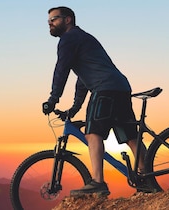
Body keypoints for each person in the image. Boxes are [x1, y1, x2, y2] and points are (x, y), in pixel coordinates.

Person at [41, 6, 150, 196]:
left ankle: (98, 182)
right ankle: (148, 178)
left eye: (54, 19)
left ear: (68, 20)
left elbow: (62, 69)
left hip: (105, 88)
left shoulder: (69, 39)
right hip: (120, 87)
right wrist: (74, 108)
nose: (50, 23)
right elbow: (83, 79)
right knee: (131, 137)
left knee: (92, 134)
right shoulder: (82, 38)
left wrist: (53, 99)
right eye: (48, 20)